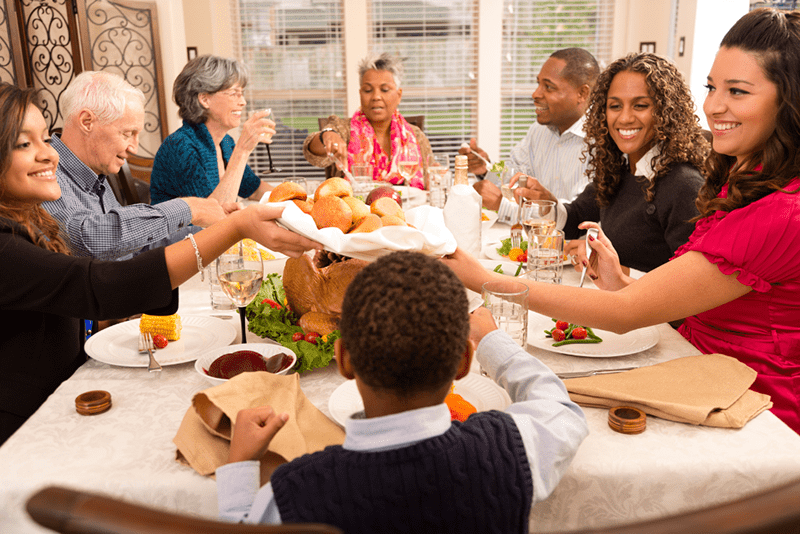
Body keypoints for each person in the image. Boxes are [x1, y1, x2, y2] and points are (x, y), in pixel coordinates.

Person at [443, 7, 800, 433]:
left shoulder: (782, 213)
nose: (714, 105)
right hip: (699, 370)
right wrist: (623, 282)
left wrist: (482, 277)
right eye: (711, 87)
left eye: (738, 91)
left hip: (754, 410)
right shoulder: (740, 181)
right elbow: (684, 303)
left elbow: (627, 313)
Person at [0, 83, 320, 445]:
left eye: (45, 138)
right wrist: (232, 227)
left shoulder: (30, 217)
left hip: (69, 394)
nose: (50, 155)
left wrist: (121, 317)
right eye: (25, 144)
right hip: (27, 430)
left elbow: (62, 302)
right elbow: (95, 283)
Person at [216, 251, 588, 531]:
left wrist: (240, 465)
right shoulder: (509, 449)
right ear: (463, 363)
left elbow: (240, 525)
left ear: (343, 359)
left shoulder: (294, 493)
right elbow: (559, 407)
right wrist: (492, 340)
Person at [519, 53, 708, 273]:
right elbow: (575, 219)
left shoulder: (683, 185)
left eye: (640, 105)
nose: (624, 118)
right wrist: (546, 202)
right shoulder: (619, 167)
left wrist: (616, 271)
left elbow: (688, 285)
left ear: (666, 112)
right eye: (615, 106)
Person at [43, 71, 234, 260]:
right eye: (127, 134)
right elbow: (89, 239)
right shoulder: (45, 174)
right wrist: (189, 208)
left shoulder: (94, 173)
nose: (134, 148)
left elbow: (134, 248)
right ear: (87, 122)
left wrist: (211, 225)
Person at [461, 48, 600, 220]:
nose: (535, 94)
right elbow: (511, 178)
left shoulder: (602, 142)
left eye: (548, 87)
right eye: (538, 83)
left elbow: (574, 217)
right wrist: (485, 168)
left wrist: (501, 205)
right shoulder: (538, 130)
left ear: (582, 93)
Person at [150, 55, 274, 205]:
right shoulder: (180, 147)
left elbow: (254, 189)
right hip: (190, 229)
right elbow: (211, 217)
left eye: (242, 94)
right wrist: (242, 151)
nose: (243, 102)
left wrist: (298, 199)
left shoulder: (226, 143)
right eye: (234, 93)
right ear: (204, 99)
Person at [302, 52, 432, 190]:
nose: (376, 96)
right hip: (355, 209)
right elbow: (311, 152)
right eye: (368, 90)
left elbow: (431, 179)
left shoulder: (415, 135)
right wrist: (327, 136)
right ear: (360, 93)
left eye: (385, 89)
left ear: (399, 95)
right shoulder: (344, 129)